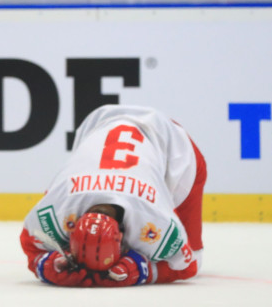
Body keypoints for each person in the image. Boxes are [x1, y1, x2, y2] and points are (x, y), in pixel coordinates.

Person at [20, 105, 207, 287]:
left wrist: (143, 272)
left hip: (173, 144)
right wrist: (46, 264)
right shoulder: (61, 201)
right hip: (101, 123)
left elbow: (189, 266)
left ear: (124, 234)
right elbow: (30, 242)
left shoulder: (152, 216)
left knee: (195, 254)